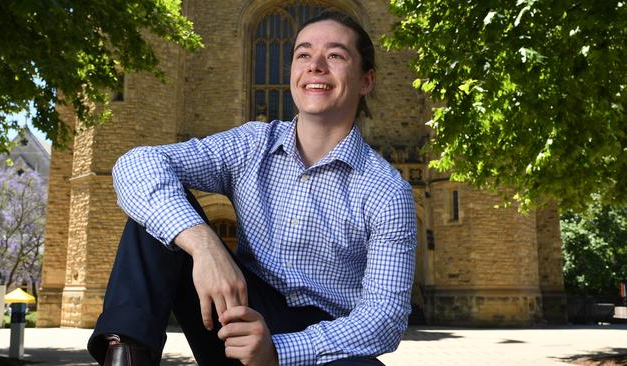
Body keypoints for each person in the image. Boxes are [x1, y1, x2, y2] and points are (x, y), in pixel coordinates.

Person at [88, 10, 417, 366]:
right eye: (303, 54)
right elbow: (136, 165)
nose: (315, 65)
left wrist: (277, 351)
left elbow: (385, 318)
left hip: (322, 342)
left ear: (366, 80)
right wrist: (204, 245)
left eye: (335, 55)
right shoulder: (251, 144)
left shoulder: (387, 190)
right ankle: (125, 358)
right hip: (234, 315)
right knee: (158, 213)